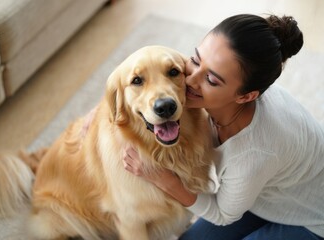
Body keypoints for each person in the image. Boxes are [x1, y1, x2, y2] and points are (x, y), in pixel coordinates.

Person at [121, 14, 324, 240]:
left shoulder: (251, 154)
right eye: (196, 60)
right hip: (265, 193)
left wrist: (163, 179)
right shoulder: (230, 90)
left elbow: (222, 215)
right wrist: (111, 107)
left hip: (313, 218)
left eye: (212, 80)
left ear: (246, 96)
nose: (189, 80)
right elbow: (152, 70)